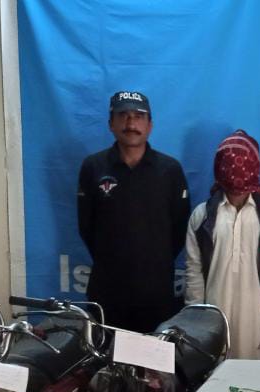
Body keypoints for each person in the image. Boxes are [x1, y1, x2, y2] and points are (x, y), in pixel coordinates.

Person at [77, 90, 191, 332]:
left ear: (150, 125)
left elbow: (180, 228)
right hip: (107, 291)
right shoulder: (93, 167)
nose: (131, 124)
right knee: (105, 353)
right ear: (111, 123)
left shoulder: (170, 170)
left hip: (155, 292)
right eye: (123, 116)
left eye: (138, 116)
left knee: (153, 354)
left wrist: (151, 261)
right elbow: (86, 226)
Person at [184, 130, 260, 360]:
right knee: (214, 374)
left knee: (253, 377)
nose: (237, 170)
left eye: (244, 164)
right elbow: (194, 272)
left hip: (257, 324)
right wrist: (195, 322)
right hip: (212, 321)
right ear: (219, 167)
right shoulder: (202, 216)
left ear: (254, 167)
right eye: (229, 163)